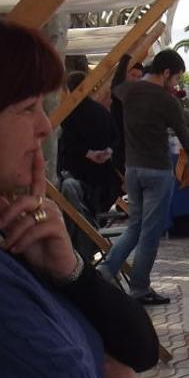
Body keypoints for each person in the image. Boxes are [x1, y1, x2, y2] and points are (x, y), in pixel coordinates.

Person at [0, 19, 159, 378]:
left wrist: (69, 270)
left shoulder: (16, 240)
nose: (44, 127)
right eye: (28, 107)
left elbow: (142, 347)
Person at [99, 49, 189, 305]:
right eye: (176, 78)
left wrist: (126, 56)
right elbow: (185, 137)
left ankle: (105, 271)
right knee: (150, 233)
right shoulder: (166, 100)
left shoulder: (129, 91)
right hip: (158, 171)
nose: (176, 84)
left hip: (133, 169)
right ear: (167, 72)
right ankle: (139, 288)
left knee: (134, 227)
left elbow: (116, 84)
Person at [58, 71, 120, 258]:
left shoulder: (68, 116)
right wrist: (107, 152)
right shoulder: (101, 111)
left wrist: (88, 154)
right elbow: (116, 138)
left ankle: (84, 251)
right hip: (104, 182)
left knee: (79, 215)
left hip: (81, 177)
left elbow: (66, 147)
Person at [110, 55, 145, 179]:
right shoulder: (121, 94)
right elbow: (116, 85)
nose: (135, 79)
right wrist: (125, 59)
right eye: (133, 75)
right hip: (121, 149)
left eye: (139, 77)